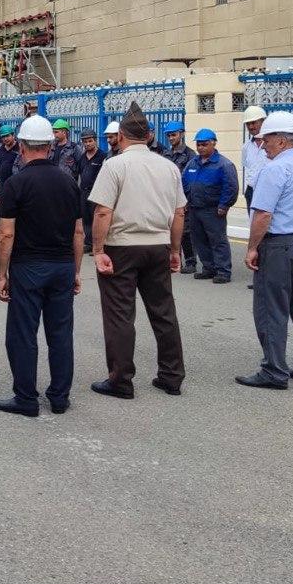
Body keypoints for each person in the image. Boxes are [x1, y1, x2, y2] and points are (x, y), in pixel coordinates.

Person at [88, 101, 188, 399]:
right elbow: (179, 212)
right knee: (164, 312)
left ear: (121, 135)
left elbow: (103, 211)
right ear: (148, 136)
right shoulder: (169, 167)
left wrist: (98, 249)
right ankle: (171, 376)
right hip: (157, 245)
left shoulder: (115, 165)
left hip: (122, 246)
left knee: (120, 315)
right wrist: (174, 250)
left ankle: (121, 380)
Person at [0, 116, 84, 418]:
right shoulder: (68, 183)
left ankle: (26, 398)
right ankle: (59, 397)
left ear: (21, 146)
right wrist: (76, 270)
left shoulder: (15, 184)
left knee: (22, 334)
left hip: (28, 266)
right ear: (49, 146)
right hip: (62, 266)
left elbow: (5, 234)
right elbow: (78, 232)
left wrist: (2, 274)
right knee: (60, 334)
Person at [237, 111, 293, 390]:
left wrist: (252, 248)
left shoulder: (274, 170)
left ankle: (274, 370)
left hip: (279, 244)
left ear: (281, 140)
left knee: (271, 308)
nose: (262, 146)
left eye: (266, 140)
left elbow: (263, 214)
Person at [181, 129, 238, 284]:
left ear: (213, 143)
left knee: (218, 240)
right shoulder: (193, 163)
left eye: (204, 144)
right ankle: (208, 268)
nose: (201, 148)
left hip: (213, 210)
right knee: (199, 240)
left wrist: (224, 205)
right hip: (195, 208)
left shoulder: (224, 164)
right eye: (199, 144)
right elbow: (184, 182)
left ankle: (223, 271)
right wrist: (185, 201)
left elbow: (231, 187)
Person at [163, 121, 198, 273]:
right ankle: (174, 259)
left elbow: (192, 179)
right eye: (169, 135)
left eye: (174, 135)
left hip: (183, 198)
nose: (171, 138)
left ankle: (190, 261)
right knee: (169, 229)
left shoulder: (190, 155)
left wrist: (187, 201)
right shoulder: (166, 154)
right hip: (168, 198)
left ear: (181, 134)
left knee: (186, 232)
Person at [241, 106, 269, 288]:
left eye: (254, 122)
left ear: (263, 122)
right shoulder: (246, 147)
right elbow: (248, 168)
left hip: (269, 193)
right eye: (248, 124)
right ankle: (259, 276)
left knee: (269, 233)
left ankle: (269, 275)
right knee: (256, 233)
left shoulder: (272, 144)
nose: (251, 126)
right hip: (252, 192)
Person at [76, 128, 105, 253]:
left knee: (96, 219)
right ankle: (88, 243)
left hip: (96, 193)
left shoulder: (102, 156)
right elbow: (79, 174)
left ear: (95, 141)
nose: (87, 144)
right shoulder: (82, 158)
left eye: (90, 141)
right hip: (84, 192)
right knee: (86, 219)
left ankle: (98, 245)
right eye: (85, 141)